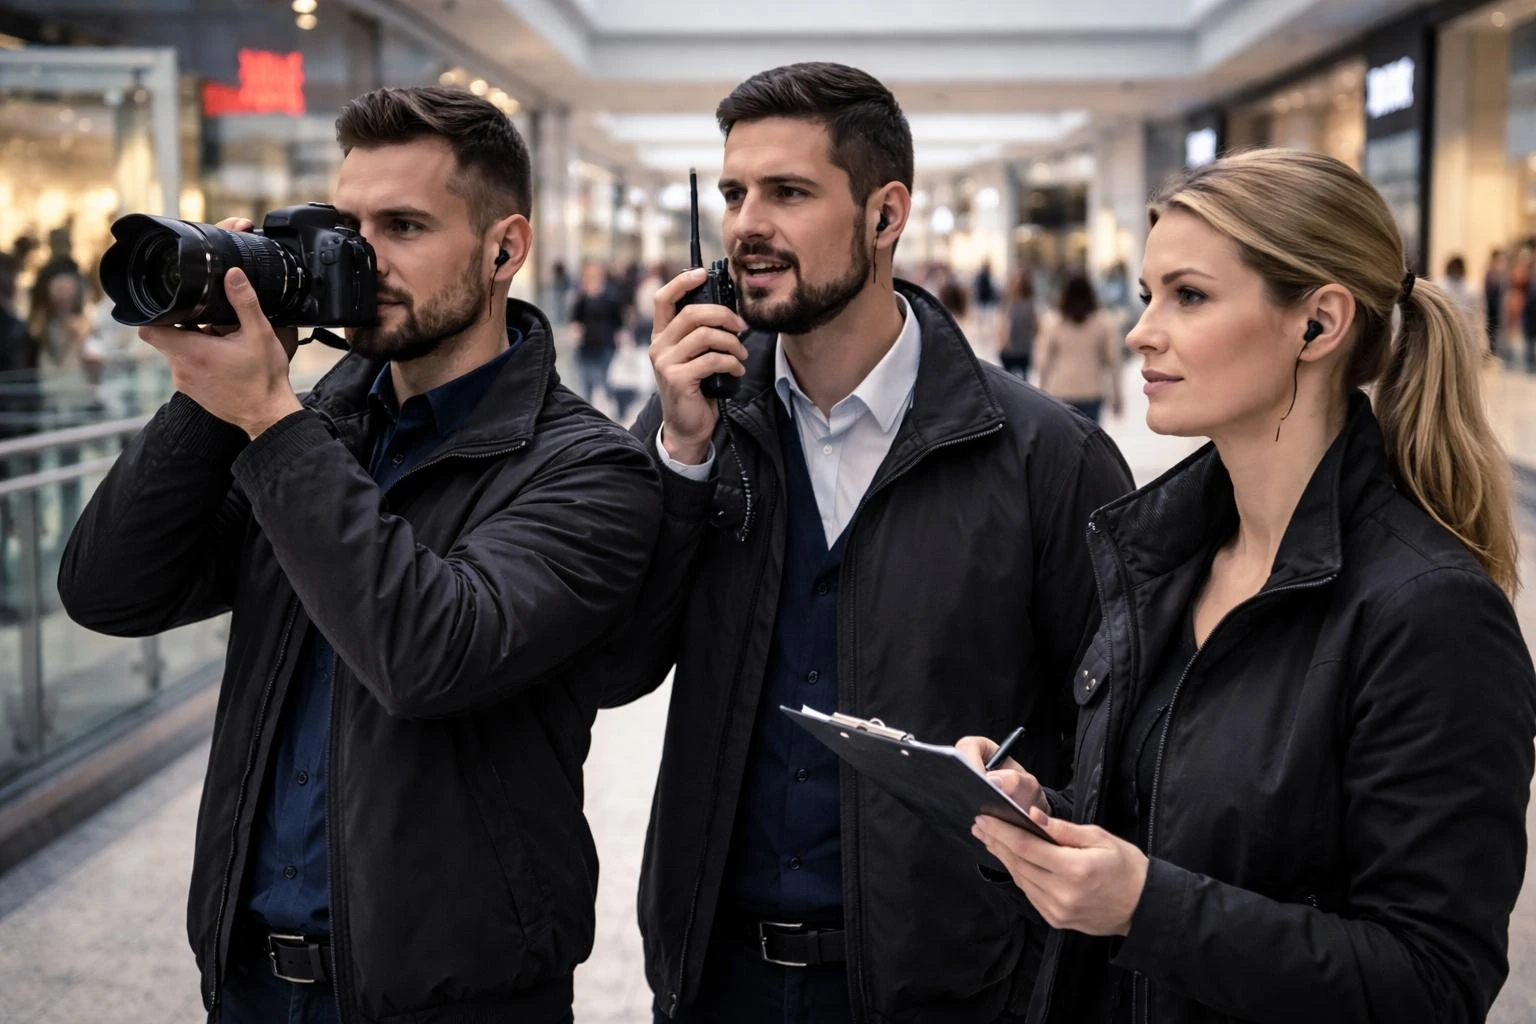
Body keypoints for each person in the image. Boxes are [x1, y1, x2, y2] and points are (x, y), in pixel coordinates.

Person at [58, 86, 663, 1024]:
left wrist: (270, 416)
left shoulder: (586, 467)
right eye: (348, 228)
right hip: (250, 981)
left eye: (404, 227)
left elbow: (429, 655)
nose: (362, 258)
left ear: (504, 249)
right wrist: (208, 400)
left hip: (455, 998)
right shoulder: (318, 430)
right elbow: (110, 591)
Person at [598, 62, 1133, 1023]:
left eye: (788, 192)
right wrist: (679, 457)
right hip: (719, 979)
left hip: (949, 990)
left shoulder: (1046, 459)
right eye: (734, 194)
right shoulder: (698, 428)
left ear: (886, 215)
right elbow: (617, 663)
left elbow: (1113, 751)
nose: (747, 224)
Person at [960, 148, 1536, 1024]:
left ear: (1318, 323)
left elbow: (1433, 982)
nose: (1140, 331)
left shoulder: (1429, 612)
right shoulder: (1167, 560)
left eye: (1188, 296)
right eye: (1148, 294)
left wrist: (1144, 907)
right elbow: (1181, 831)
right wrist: (1046, 816)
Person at [1036, 273, 1122, 422]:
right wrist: (1117, 395)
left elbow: (1043, 362)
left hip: (1061, 391)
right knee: (1090, 435)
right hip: (1092, 391)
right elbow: (1113, 360)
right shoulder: (1103, 322)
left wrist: (1042, 392)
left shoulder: (1053, 323)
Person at [569, 260, 626, 404]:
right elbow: (575, 318)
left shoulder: (610, 294)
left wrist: (620, 335)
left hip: (606, 342)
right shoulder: (581, 295)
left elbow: (618, 318)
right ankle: (588, 407)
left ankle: (609, 406)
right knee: (587, 380)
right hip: (586, 344)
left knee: (606, 379)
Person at [997, 267, 1039, 380]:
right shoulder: (1028, 305)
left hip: (1017, 349)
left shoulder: (1013, 305)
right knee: (1020, 380)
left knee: (1012, 379)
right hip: (1018, 348)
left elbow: (1035, 327)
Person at [1485, 248, 1507, 357]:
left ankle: (1497, 349)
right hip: (1491, 303)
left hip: (1498, 303)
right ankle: (1492, 349)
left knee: (1498, 327)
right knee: (1491, 326)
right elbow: (1488, 289)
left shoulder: (1501, 271)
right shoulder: (1490, 271)